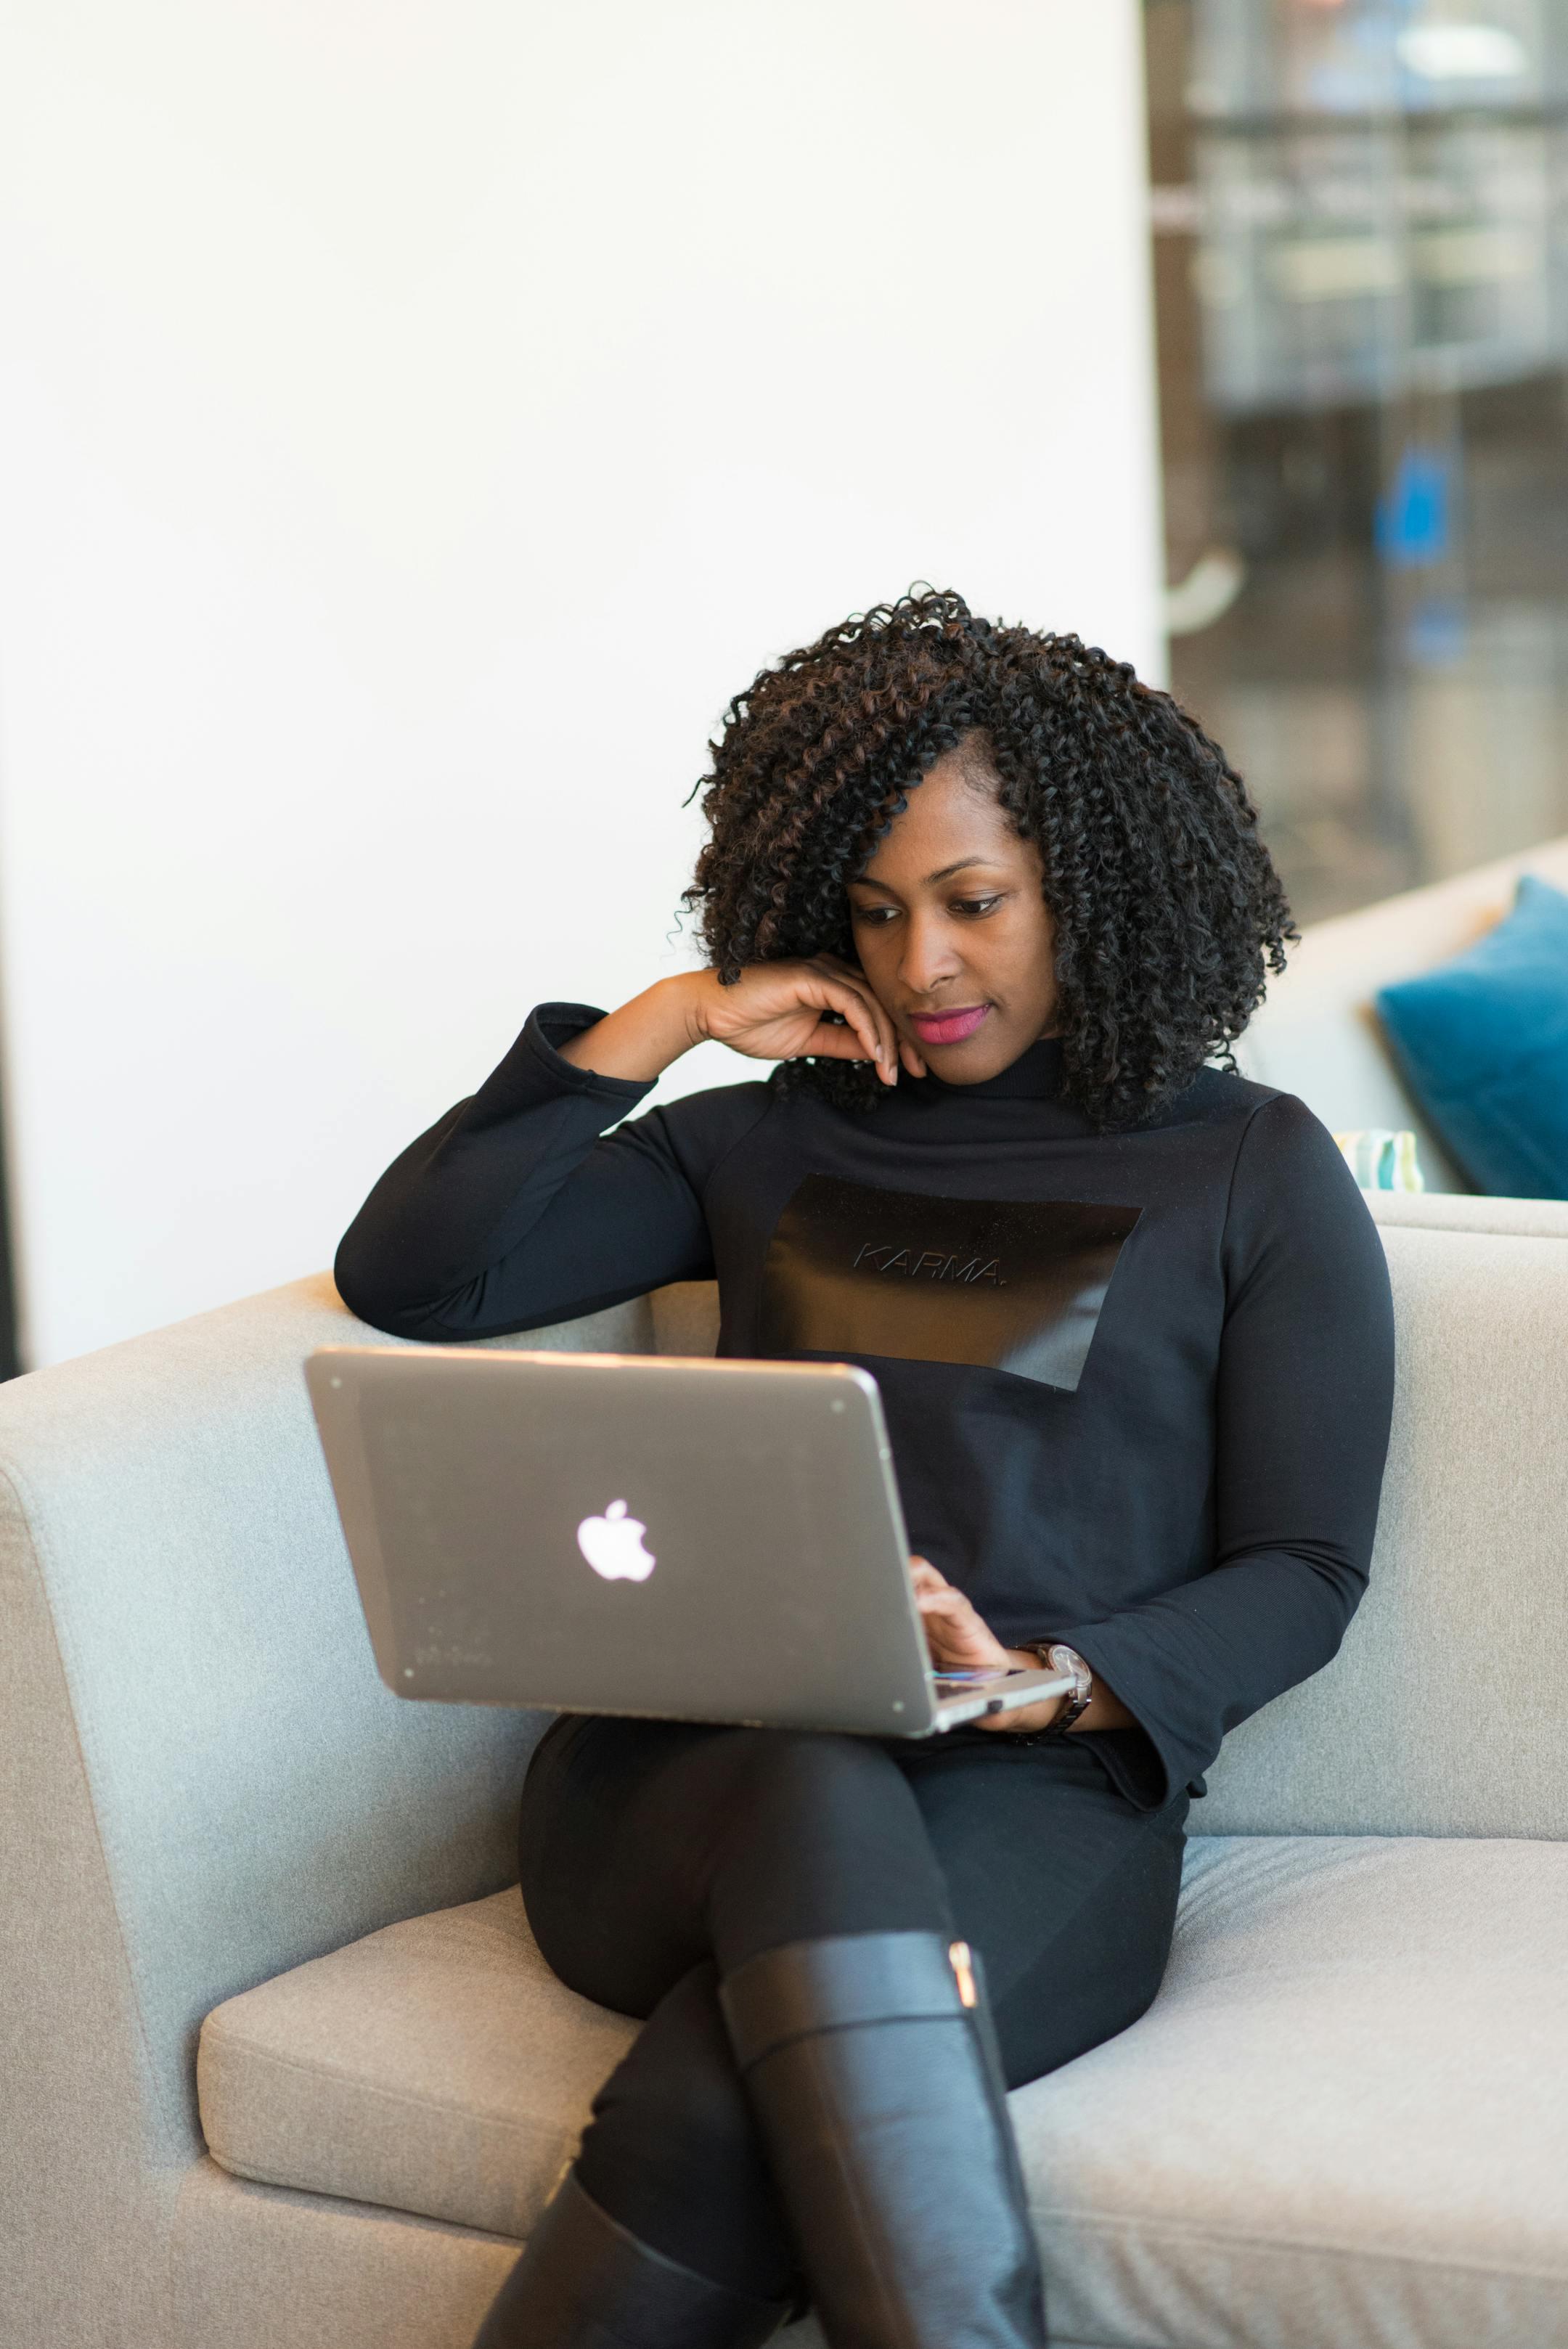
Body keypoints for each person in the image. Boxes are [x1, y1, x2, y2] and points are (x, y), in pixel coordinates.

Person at [335, 589, 1395, 2349]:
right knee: (819, 1789)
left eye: (976, 904)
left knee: (720, 2093)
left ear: (1091, 882)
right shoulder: (767, 1137)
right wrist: (667, 1020)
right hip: (686, 1779)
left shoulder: (1249, 1173)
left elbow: (1304, 1566)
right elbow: (419, 1276)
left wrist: (1050, 1686)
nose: (923, 968)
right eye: (876, 913)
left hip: (1035, 1798)